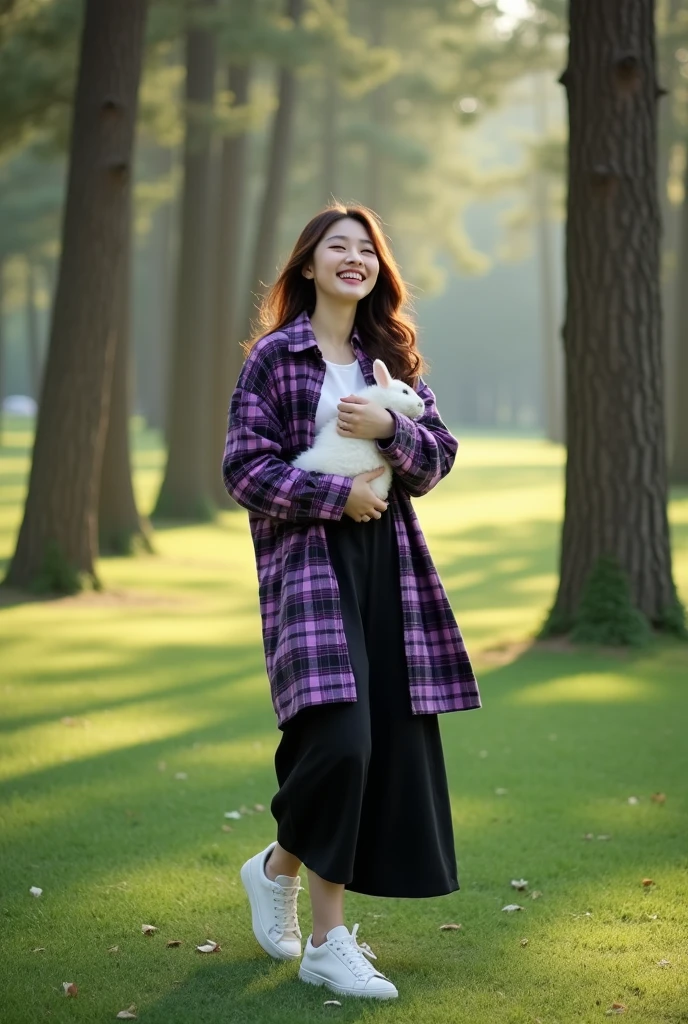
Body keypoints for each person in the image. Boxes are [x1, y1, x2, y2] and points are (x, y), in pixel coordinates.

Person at [222, 203, 481, 1000]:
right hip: (310, 570)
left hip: (391, 572)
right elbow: (244, 470)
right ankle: (326, 939)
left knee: (383, 744)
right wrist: (339, 497)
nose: (354, 258)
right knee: (340, 746)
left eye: (366, 249)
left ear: (378, 270)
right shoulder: (274, 358)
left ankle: (283, 874)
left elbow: (436, 456)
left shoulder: (389, 358)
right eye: (337, 247)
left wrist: (386, 427)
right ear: (308, 266)